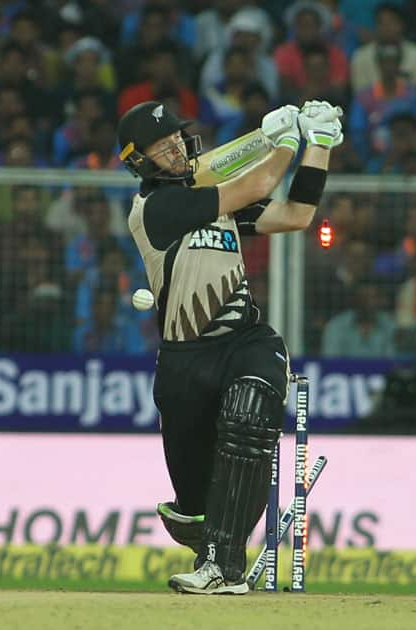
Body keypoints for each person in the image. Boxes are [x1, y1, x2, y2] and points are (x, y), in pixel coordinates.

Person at [118, 98, 342, 594]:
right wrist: (285, 139)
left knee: (248, 411)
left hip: (245, 341)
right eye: (161, 145)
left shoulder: (210, 201)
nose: (175, 147)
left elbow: (296, 214)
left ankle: (225, 568)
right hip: (184, 360)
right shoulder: (157, 209)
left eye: (176, 137)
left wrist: (319, 145)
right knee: (195, 499)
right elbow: (258, 184)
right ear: (139, 160)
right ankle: (210, 545)